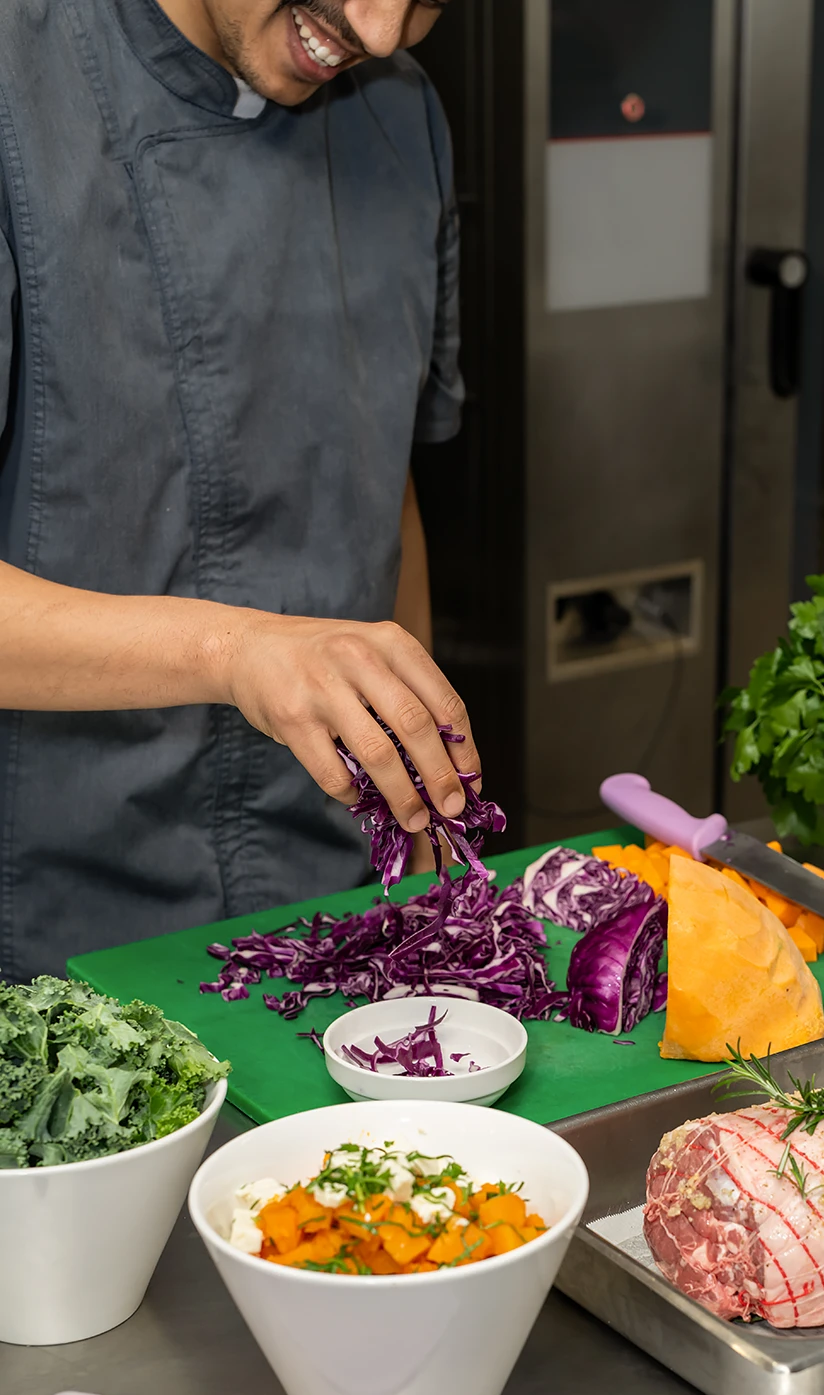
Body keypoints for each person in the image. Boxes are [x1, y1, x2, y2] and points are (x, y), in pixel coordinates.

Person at [0, 0, 476, 983]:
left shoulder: (403, 116)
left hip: (334, 916)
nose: (381, 32)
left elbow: (384, 492)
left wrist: (422, 788)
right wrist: (234, 649)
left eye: (429, 0)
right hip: (52, 945)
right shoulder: (19, 85)